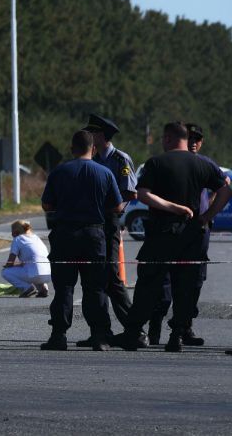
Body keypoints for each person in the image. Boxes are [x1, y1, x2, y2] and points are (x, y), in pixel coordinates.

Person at [116, 122, 231, 352]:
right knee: (185, 287)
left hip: (161, 233)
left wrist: (172, 208)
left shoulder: (157, 163)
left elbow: (143, 194)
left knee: (149, 284)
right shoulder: (203, 164)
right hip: (192, 235)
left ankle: (134, 332)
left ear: (168, 138)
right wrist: (206, 216)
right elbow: (225, 190)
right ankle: (177, 334)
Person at [40, 130, 123, 351]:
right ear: (93, 149)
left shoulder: (59, 172)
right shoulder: (104, 173)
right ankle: (99, 335)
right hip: (94, 237)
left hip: (65, 236)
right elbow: (117, 206)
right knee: (95, 288)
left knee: (64, 288)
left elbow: (47, 205)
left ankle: (58, 335)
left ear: (71, 148)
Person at [77, 114, 144, 348]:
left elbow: (130, 192)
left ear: (102, 136)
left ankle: (135, 330)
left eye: (93, 133)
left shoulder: (119, 159)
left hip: (109, 221)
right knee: (95, 277)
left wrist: (112, 210)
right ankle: (101, 331)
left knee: (112, 277)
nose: (90, 138)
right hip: (92, 224)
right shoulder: (91, 159)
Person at [1, 220, 51, 298]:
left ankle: (27, 288)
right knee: (32, 268)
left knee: (5, 272)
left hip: (35, 273)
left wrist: (9, 265)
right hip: (48, 274)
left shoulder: (18, 239)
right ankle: (43, 288)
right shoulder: (36, 237)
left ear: (16, 232)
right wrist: (20, 264)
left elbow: (10, 262)